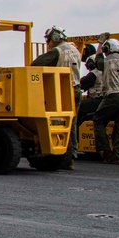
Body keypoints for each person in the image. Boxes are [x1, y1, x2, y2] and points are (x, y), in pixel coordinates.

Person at [30, 26, 82, 169]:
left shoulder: (57, 51)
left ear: (55, 38)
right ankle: (72, 155)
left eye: (48, 40)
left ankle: (65, 154)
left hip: (62, 90)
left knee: (59, 122)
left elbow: (35, 64)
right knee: (72, 123)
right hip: (77, 89)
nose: (48, 43)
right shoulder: (76, 51)